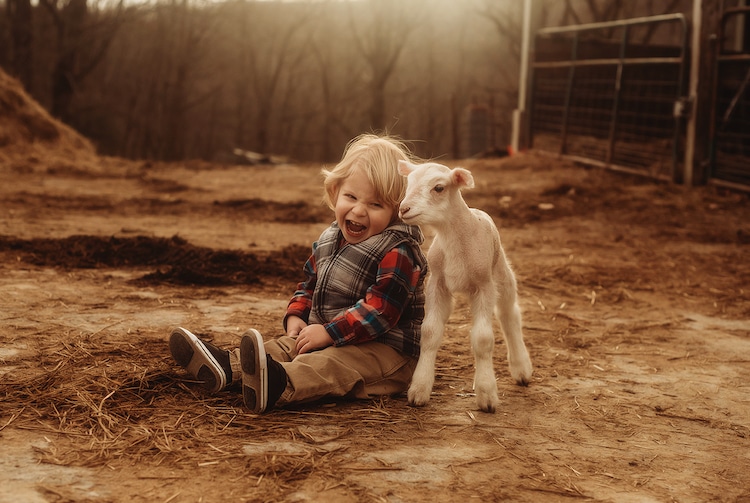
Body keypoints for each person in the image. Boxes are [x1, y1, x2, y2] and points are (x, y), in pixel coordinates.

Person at [169, 134, 429, 413]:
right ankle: (227, 368)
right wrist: (297, 314)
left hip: (387, 354)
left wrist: (329, 333)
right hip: (331, 337)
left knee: (331, 365)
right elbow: (309, 282)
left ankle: (281, 384)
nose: (358, 210)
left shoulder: (398, 249)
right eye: (351, 197)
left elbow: (381, 312)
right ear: (335, 192)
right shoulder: (331, 238)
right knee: (286, 346)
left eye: (375, 205)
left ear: (397, 212)